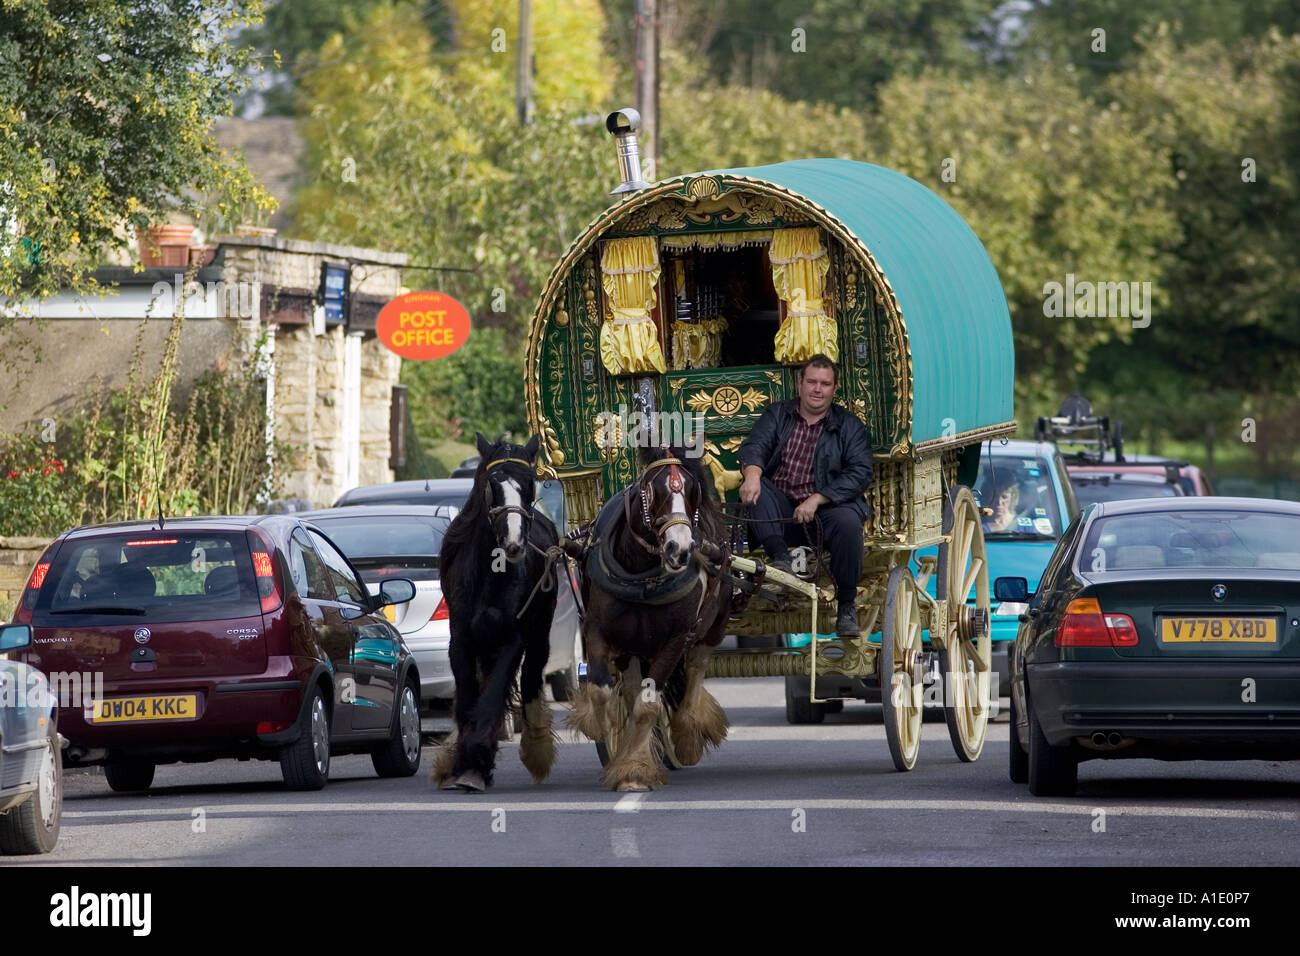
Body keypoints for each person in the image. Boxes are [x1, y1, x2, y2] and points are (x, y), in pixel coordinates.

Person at [737, 353, 873, 636]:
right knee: (756, 491)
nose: (817, 389)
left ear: (834, 389)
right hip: (781, 512)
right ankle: (780, 562)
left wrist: (819, 497)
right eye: (812, 381)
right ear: (800, 384)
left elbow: (860, 472)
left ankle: (846, 606)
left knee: (849, 525)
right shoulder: (778, 414)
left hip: (826, 512)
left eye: (824, 384)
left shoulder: (848, 426)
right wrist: (752, 474)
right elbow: (755, 446)